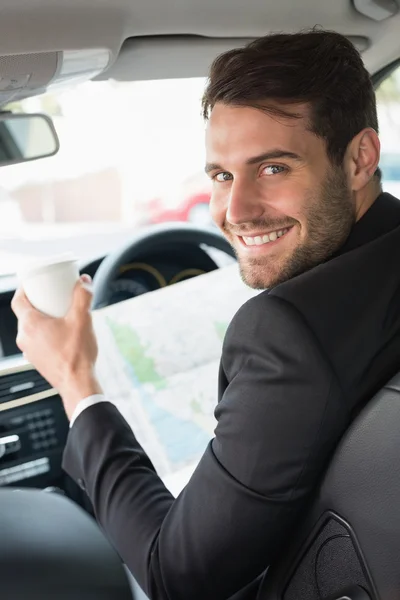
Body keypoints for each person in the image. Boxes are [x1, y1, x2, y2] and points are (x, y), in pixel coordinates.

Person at [11, 29, 400, 600]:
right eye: (221, 175)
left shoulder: (288, 333)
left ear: (361, 157)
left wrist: (76, 381)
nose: (235, 211)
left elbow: (177, 576)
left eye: (273, 168)